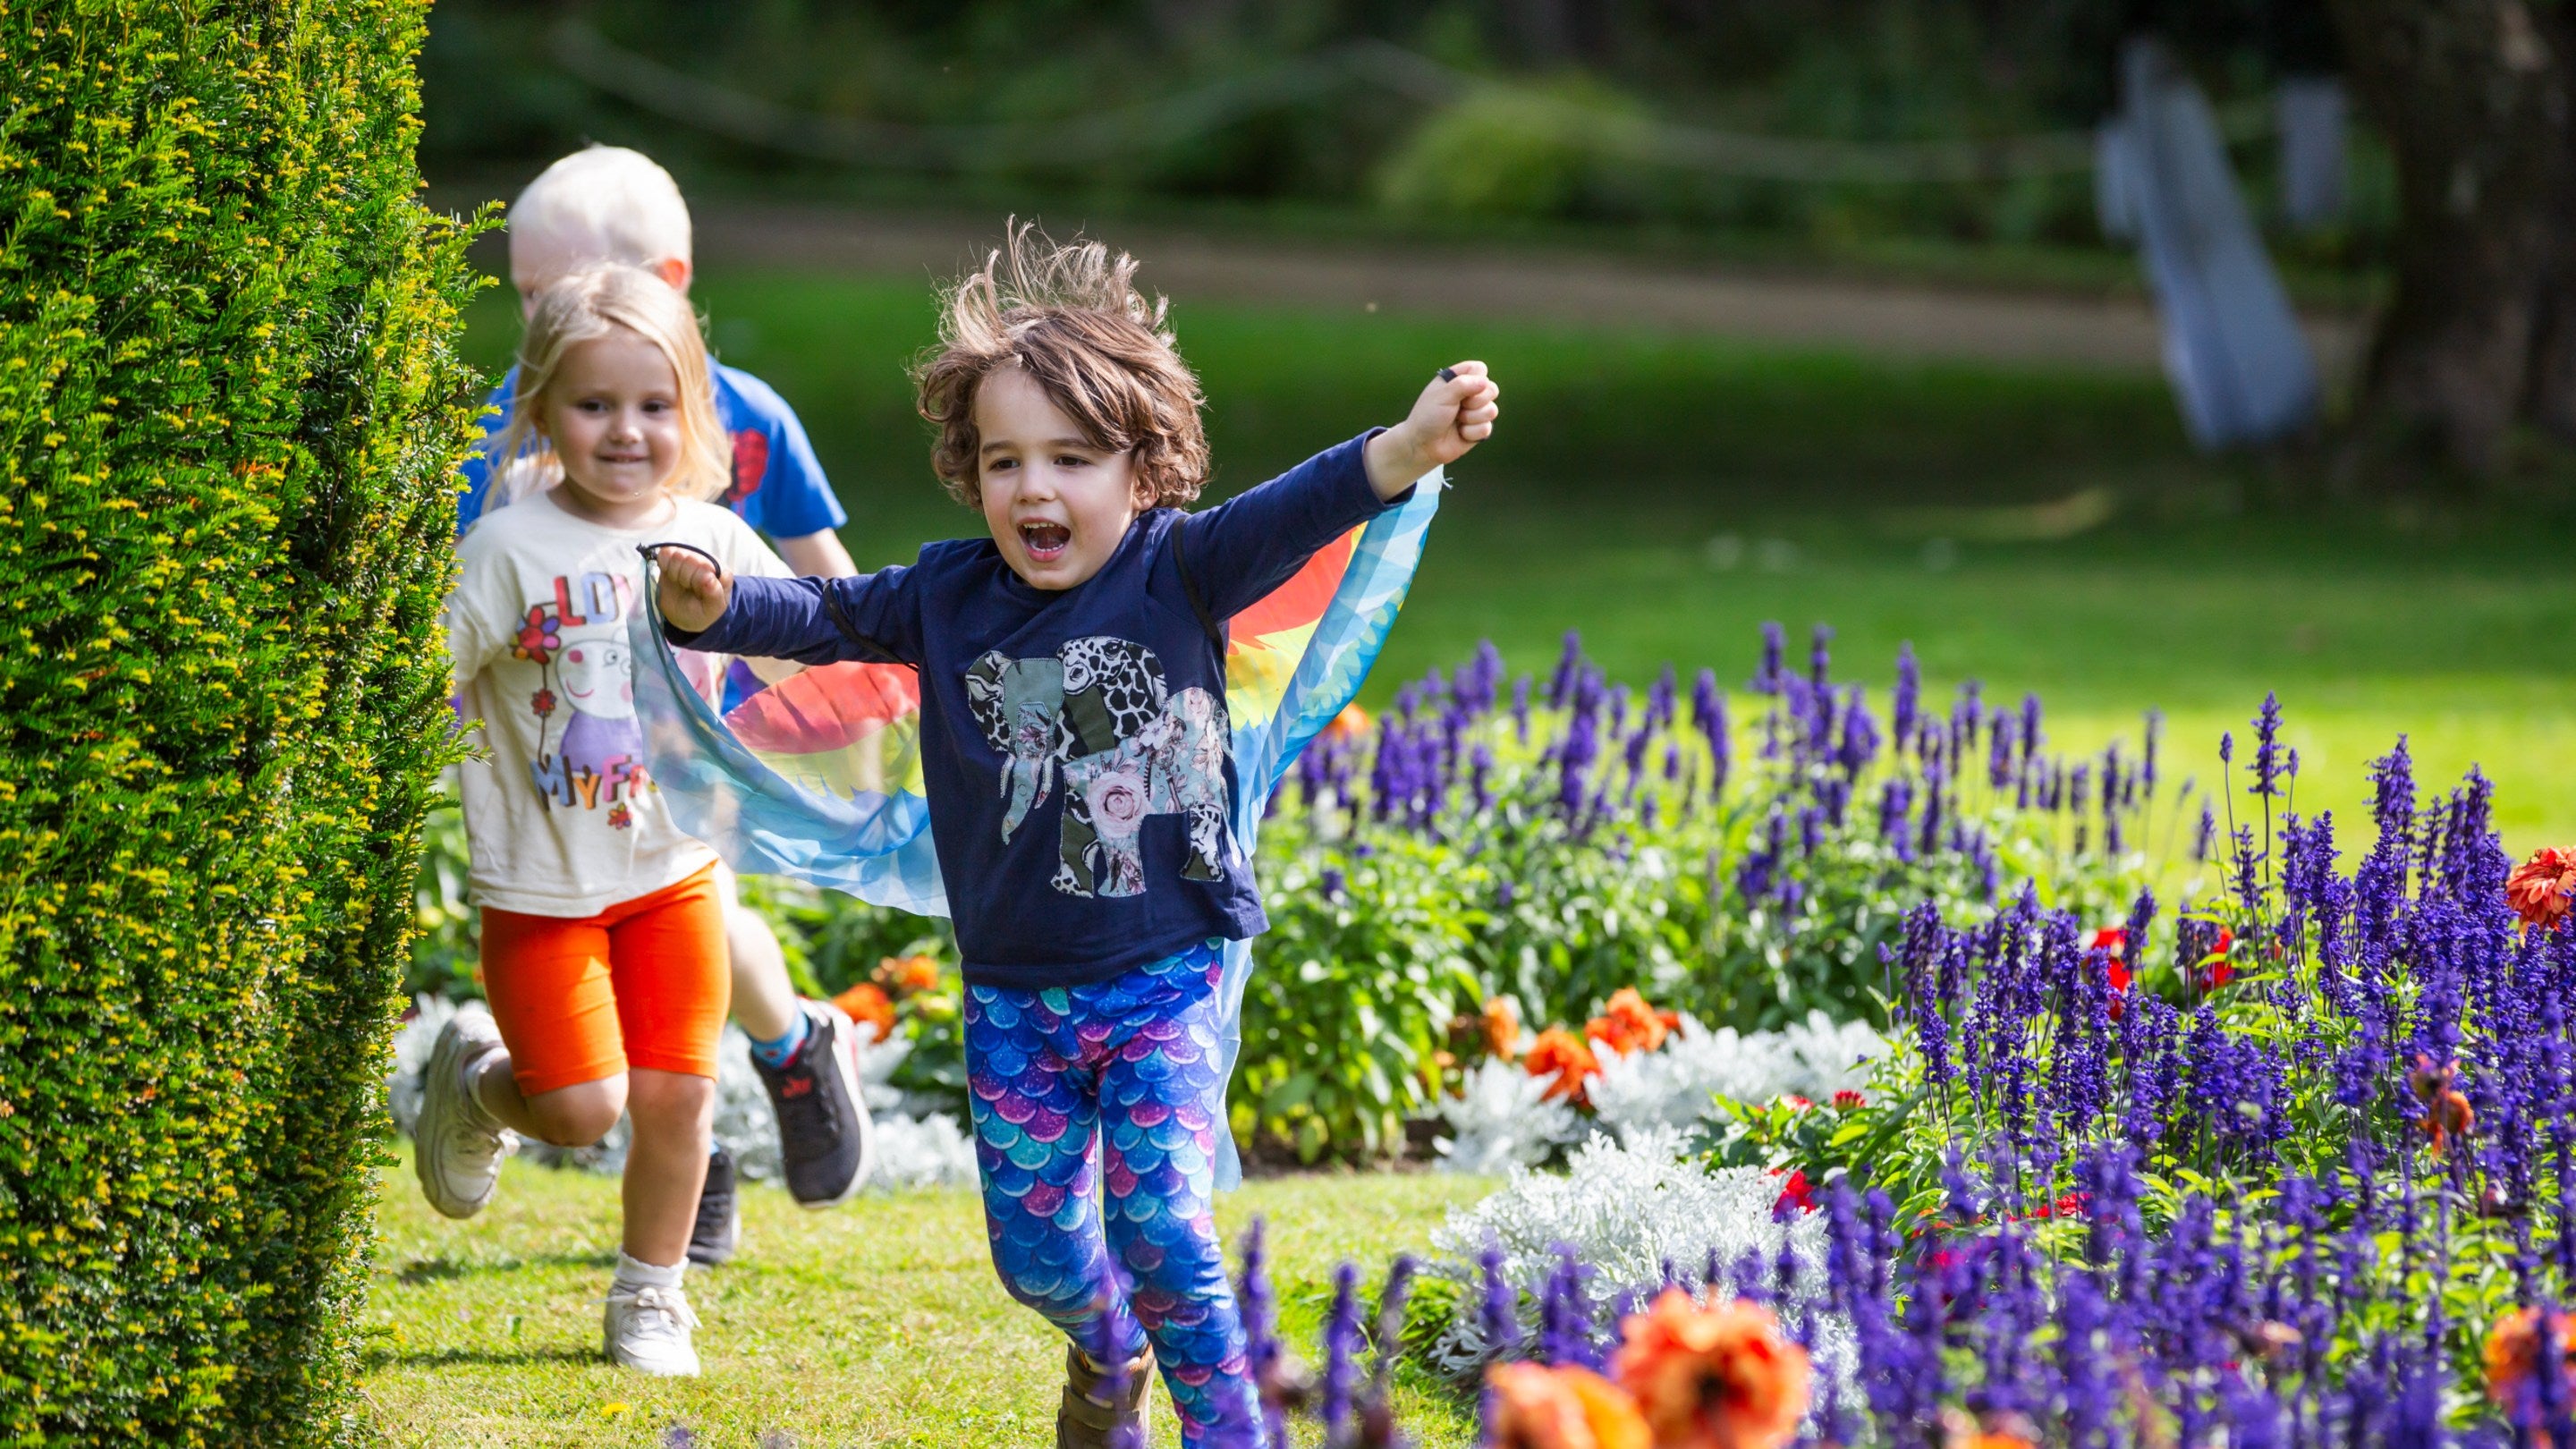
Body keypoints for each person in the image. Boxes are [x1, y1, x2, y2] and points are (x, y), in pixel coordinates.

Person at [648, 228, 1500, 1446]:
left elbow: (1301, 507)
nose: (1035, 490)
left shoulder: (1183, 567)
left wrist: (1409, 446)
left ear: (1142, 469)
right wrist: (721, 605)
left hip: (1168, 965)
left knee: (1162, 1224)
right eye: (1005, 461)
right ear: (971, 468)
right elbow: (830, 614)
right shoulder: (946, 596)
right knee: (1039, 1262)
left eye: (1073, 459)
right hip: (1017, 992)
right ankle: (1109, 1354)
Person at [458, 146, 871, 1255]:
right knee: (613, 1044)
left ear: (670, 281)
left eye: (564, 289)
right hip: (562, 768)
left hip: (688, 762)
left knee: (686, 972)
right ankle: (756, 1090)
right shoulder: (517, 424)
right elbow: (471, 597)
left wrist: (852, 705)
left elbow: (825, 589)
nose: (545, 315)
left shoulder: (742, 418)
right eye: (531, 298)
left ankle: (781, 1060)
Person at [418, 265, 792, 1375]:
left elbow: (808, 644)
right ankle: (480, 1086)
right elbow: (420, 679)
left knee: (677, 1095)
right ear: (540, 410)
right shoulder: (505, 551)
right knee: (582, 1109)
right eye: (594, 405)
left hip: (673, 870)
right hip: (540, 885)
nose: (626, 431)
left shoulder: (713, 541)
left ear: (693, 412)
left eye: (654, 406)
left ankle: (652, 1297)